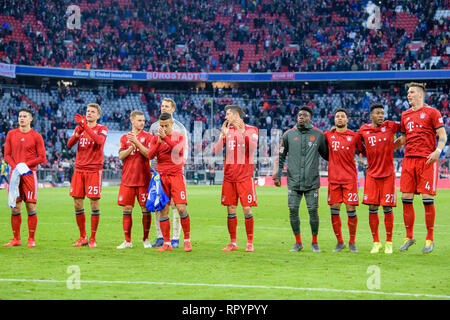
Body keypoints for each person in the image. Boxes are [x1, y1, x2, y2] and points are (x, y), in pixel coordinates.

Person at [398, 82, 447, 253]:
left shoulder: (432, 112)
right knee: (406, 198)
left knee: (427, 200)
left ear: (420, 94)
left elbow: (442, 135)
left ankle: (429, 239)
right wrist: (385, 149)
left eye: (411, 92)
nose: (408, 95)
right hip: (408, 160)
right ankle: (409, 236)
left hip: (426, 160)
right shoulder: (404, 115)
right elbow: (403, 139)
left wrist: (437, 151)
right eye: (408, 93)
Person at [273, 106, 328, 252]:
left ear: (310, 118)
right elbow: (281, 156)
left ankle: (314, 242)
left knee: (312, 210)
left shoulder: (318, 135)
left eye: (304, 115)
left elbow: (328, 155)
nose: (301, 117)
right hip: (293, 181)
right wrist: (278, 174)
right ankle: (298, 243)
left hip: (311, 181)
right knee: (293, 210)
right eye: (299, 115)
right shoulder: (288, 135)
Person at [213, 105, 259, 252]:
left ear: (236, 115)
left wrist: (242, 132)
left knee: (246, 209)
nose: (225, 117)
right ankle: (233, 243)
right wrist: (223, 136)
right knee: (231, 209)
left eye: (228, 114)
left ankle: (250, 242)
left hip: (244, 176)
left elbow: (252, 149)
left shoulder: (252, 129)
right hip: (229, 177)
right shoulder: (227, 131)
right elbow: (217, 150)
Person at [358, 104, 403, 254]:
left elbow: (407, 127)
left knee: (387, 208)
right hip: (371, 174)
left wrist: (394, 145)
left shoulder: (390, 125)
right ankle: (376, 242)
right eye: (377, 113)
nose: (381, 115)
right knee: (372, 208)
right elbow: (356, 142)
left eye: (382, 113)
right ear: (371, 115)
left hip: (388, 174)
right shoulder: (364, 129)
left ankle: (389, 242)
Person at [147, 112, 191, 252]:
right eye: (161, 126)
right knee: (163, 210)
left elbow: (178, 150)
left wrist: (165, 138)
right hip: (162, 177)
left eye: (166, 125)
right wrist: (159, 142)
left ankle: (187, 240)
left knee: (181, 208)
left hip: (176, 176)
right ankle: (167, 243)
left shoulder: (179, 136)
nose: (164, 128)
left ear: (172, 124)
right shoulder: (156, 139)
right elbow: (150, 155)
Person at [3, 108, 46, 247]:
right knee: (15, 207)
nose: (21, 118)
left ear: (30, 119)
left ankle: (31, 239)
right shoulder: (11, 134)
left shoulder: (36, 136)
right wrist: (16, 167)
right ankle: (16, 239)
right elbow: (7, 155)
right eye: (20, 116)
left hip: (29, 175)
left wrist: (25, 166)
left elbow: (42, 158)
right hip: (15, 174)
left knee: (30, 206)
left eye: (24, 116)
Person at [67, 103, 108, 248]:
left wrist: (86, 127)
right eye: (87, 111)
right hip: (79, 170)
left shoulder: (102, 129)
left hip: (93, 170)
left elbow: (99, 141)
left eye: (92, 112)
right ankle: (82, 237)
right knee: (77, 203)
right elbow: (69, 144)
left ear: (98, 115)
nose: (89, 113)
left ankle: (93, 238)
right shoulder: (81, 127)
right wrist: (79, 130)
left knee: (94, 203)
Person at [324, 108, 364, 253]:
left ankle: (352, 241)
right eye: (337, 116)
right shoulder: (328, 135)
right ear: (334, 120)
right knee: (334, 209)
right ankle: (340, 242)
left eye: (342, 116)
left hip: (349, 179)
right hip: (334, 179)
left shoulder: (354, 136)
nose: (340, 118)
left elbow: (363, 151)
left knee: (350, 209)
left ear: (347, 120)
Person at [116, 110, 153, 249]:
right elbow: (120, 156)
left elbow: (148, 154)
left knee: (145, 209)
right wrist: (131, 147)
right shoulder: (124, 138)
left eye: (143, 120)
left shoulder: (148, 137)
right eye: (139, 120)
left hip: (143, 179)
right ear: (132, 121)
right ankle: (127, 241)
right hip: (127, 179)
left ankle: (145, 239)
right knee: (127, 208)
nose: (142, 123)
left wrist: (136, 142)